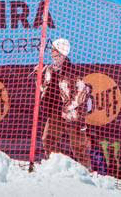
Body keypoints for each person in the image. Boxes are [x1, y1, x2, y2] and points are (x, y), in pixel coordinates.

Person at [40, 38, 90, 168]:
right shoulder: (49, 69)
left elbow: (81, 93)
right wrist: (38, 76)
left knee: (78, 147)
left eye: (55, 52)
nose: (52, 54)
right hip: (55, 112)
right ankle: (55, 167)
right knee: (49, 140)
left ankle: (87, 173)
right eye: (52, 52)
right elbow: (44, 88)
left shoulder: (72, 71)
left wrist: (68, 107)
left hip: (72, 115)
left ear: (62, 54)